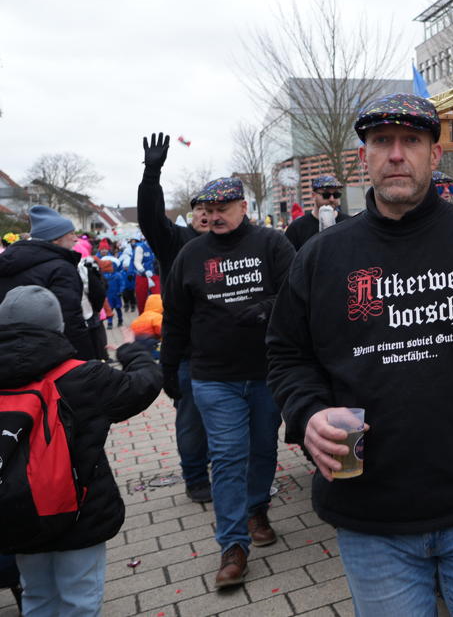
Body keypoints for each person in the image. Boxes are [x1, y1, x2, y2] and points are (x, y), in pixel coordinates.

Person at [267, 93, 453, 617]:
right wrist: (308, 412)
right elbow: (286, 356)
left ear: (435, 155)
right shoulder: (323, 257)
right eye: (381, 142)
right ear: (363, 158)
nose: (395, 154)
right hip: (370, 515)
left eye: (412, 141)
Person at [160, 177, 295, 588]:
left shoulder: (272, 244)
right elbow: (176, 317)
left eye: (224, 208)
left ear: (243, 207)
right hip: (213, 377)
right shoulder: (191, 254)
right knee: (228, 456)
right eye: (209, 209)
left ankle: (257, 509)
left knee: (261, 448)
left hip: (267, 373)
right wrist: (168, 369)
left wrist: (264, 308)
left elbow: (297, 294)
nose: (215, 216)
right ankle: (232, 546)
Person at [0, 285, 161, 616]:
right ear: (57, 326)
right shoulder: (81, 375)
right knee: (80, 597)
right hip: (78, 511)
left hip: (16, 511)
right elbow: (143, 385)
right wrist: (133, 352)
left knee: (36, 594)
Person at [138, 132, 214, 503]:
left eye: (213, 207)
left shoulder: (235, 243)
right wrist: (151, 177)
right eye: (199, 207)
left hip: (231, 352)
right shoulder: (176, 241)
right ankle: (196, 477)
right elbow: (152, 221)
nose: (206, 213)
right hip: (186, 351)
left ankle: (228, 470)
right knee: (191, 419)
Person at [0, 206, 96, 360]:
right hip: (48, 355)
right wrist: (87, 361)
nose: (76, 238)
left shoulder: (9, 261)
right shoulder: (61, 268)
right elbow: (70, 320)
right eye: (71, 233)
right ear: (56, 239)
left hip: (9, 354)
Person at [284, 175, 350, 250]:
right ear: (313, 195)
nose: (332, 199)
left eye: (336, 195)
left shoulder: (349, 223)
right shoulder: (297, 228)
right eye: (326, 195)